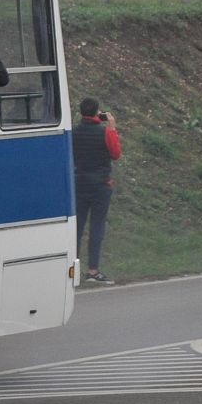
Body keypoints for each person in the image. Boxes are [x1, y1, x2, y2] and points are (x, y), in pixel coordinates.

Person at [73, 97, 121, 284]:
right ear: (97, 113)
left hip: (79, 183)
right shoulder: (105, 132)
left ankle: (74, 269)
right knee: (96, 227)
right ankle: (93, 270)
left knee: (77, 227)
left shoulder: (74, 133)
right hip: (100, 185)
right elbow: (116, 153)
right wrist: (112, 127)